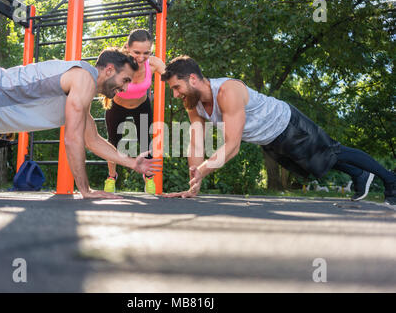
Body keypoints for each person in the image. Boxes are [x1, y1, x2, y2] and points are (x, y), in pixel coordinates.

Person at [160, 56, 395, 206]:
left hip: (287, 123)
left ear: (192, 78)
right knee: (319, 163)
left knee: (335, 151)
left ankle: (391, 181)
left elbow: (232, 145)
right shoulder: (193, 103)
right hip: (270, 140)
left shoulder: (227, 91)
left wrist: (202, 169)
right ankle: (360, 175)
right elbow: (196, 143)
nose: (176, 94)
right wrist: (195, 183)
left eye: (177, 87)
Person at [0, 48, 161, 199]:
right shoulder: (84, 77)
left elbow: (93, 140)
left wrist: (133, 163)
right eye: (125, 80)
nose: (125, 89)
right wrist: (85, 189)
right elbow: (72, 138)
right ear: (110, 70)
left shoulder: (83, 89)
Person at [101, 29, 166, 195]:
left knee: (146, 142)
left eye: (147, 52)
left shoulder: (153, 64)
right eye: (136, 52)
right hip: (117, 106)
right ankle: (111, 177)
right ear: (127, 48)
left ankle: (148, 176)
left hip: (141, 105)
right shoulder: (118, 65)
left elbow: (173, 77)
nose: (141, 57)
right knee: (113, 143)